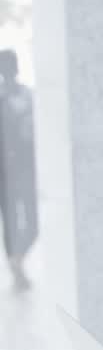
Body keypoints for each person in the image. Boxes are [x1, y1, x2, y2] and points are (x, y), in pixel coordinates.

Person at [0, 49, 36, 291]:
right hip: (6, 172)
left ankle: (17, 259)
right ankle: (17, 267)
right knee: (11, 222)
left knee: (32, 221)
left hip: (24, 168)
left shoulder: (27, 96)